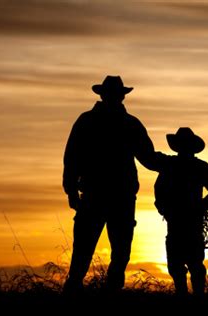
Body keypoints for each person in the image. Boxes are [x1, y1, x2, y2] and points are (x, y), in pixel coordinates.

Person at [62, 75, 157, 294]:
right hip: (112, 196)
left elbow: (72, 159)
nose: (114, 97)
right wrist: (71, 191)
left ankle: (83, 291)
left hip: (105, 196)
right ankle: (94, 291)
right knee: (97, 250)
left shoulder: (88, 121)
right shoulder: (128, 123)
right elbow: (149, 158)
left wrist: (72, 191)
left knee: (108, 251)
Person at [153, 127, 208, 296]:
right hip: (185, 219)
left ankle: (188, 295)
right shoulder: (198, 167)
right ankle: (190, 295)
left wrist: (201, 207)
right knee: (187, 263)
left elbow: (159, 190)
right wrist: (202, 206)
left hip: (183, 220)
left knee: (187, 263)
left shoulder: (171, 166)